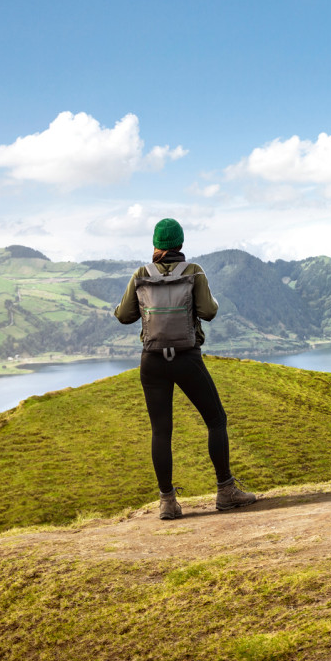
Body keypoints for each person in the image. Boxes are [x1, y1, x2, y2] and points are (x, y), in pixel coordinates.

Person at [113, 218, 256, 520]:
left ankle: (167, 502)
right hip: (186, 357)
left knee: (161, 431)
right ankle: (226, 491)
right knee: (216, 419)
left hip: (152, 361)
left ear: (156, 245)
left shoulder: (141, 275)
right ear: (179, 243)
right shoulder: (194, 272)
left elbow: (124, 316)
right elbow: (209, 311)